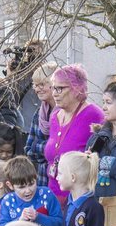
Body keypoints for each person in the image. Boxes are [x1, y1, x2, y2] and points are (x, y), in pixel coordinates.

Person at [44, 65, 105, 200]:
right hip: (53, 195)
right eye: (53, 88)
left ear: (77, 88)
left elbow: (100, 159)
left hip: (78, 198)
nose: (54, 93)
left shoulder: (94, 115)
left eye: (60, 88)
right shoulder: (55, 117)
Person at [24, 62, 58, 187]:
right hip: (43, 180)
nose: (37, 89)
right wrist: (47, 149)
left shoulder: (65, 113)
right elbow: (28, 149)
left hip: (62, 181)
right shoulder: (39, 114)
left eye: (42, 84)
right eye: (35, 85)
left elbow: (60, 150)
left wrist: (38, 146)